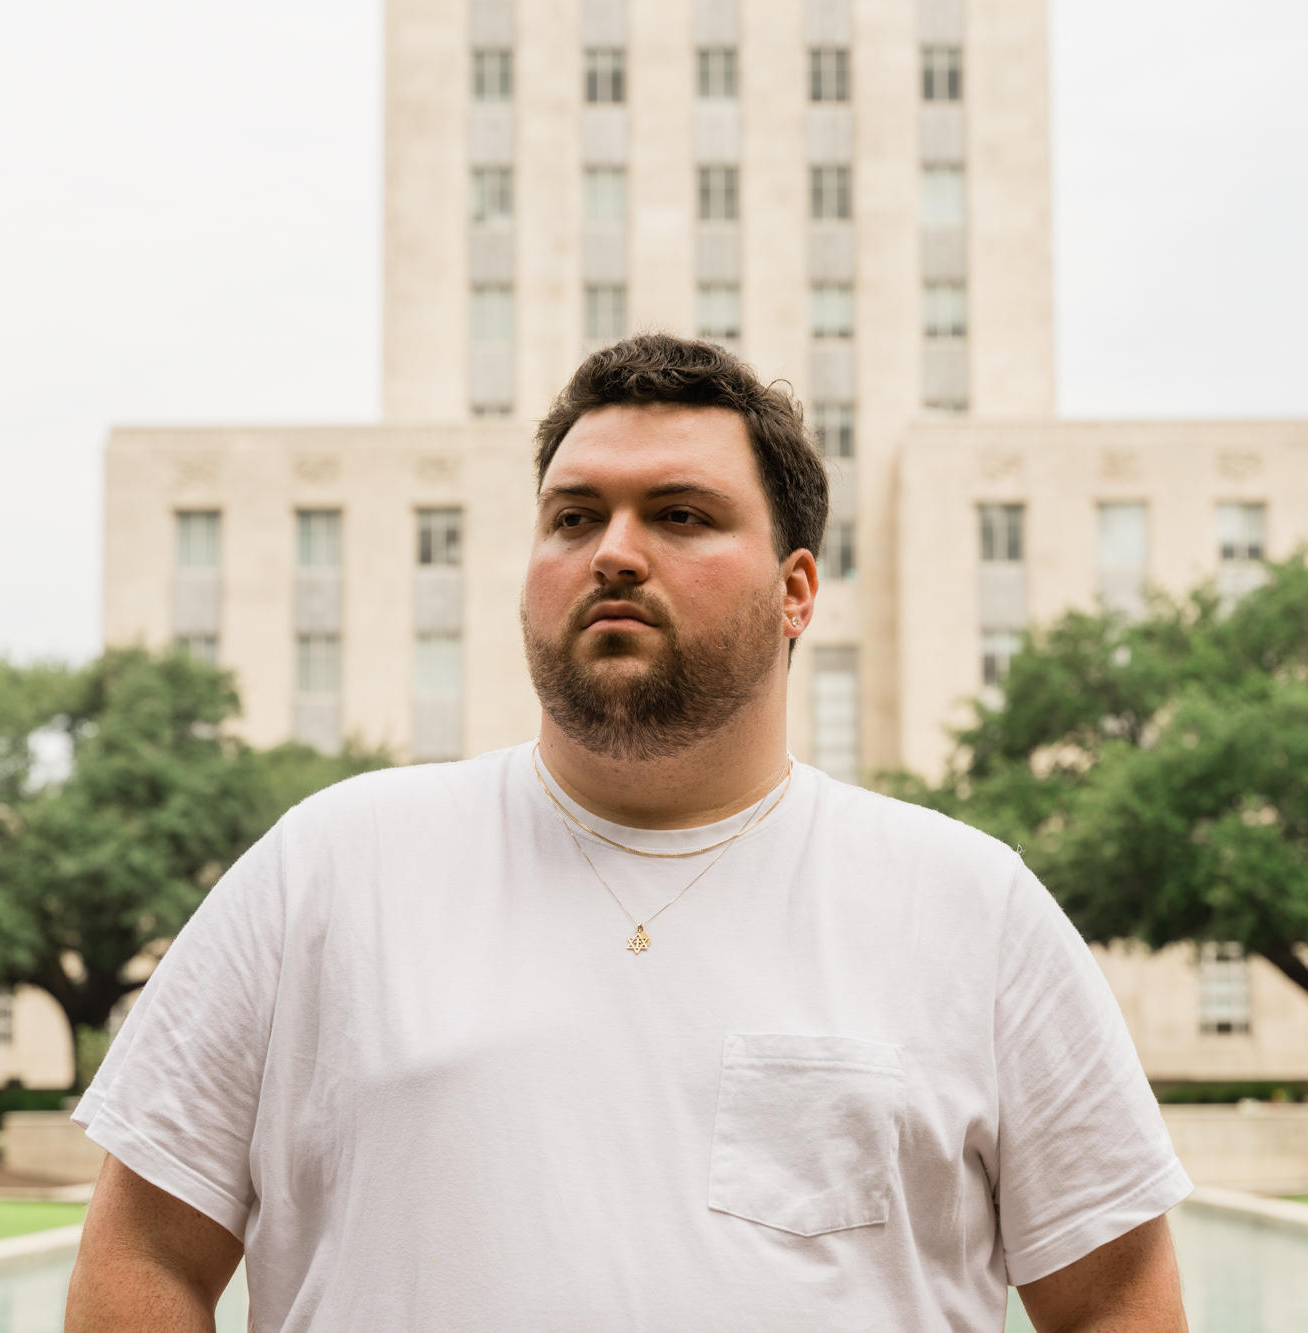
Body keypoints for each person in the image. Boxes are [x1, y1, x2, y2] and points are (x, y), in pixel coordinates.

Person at [65, 334, 1192, 1332]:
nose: (611, 549)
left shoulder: (967, 906)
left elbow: (1111, 1303)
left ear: (796, 590)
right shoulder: (327, 867)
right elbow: (147, 1255)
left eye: (679, 515)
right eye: (573, 516)